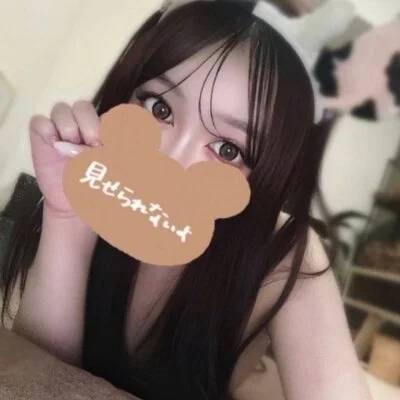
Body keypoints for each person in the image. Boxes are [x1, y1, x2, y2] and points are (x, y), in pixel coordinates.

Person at [0, 1, 373, 399]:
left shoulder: (281, 255)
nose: (172, 159)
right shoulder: (91, 179)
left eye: (228, 150)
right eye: (159, 107)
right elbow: (38, 382)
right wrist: (67, 219)